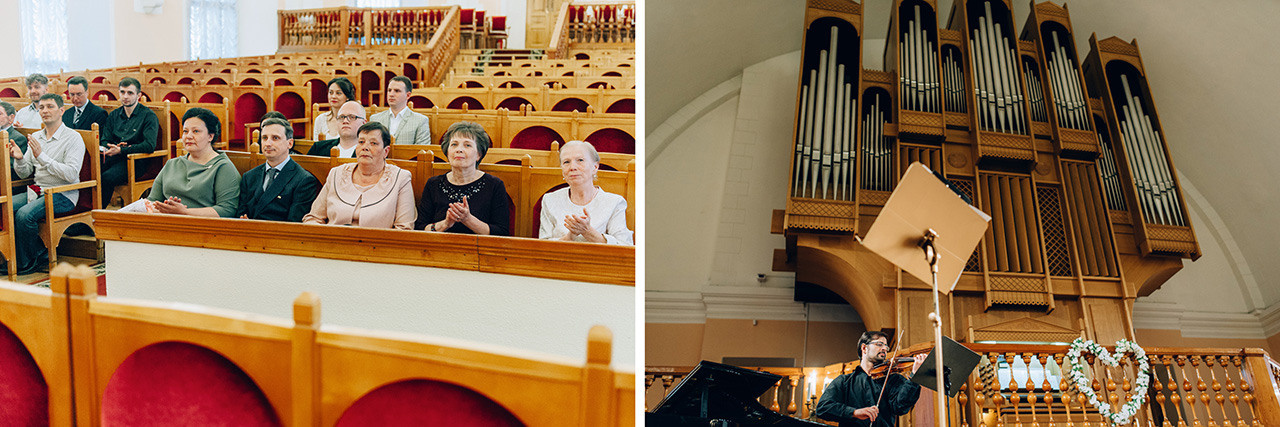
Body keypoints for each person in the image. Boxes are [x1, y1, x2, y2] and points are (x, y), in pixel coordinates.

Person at [8, 94, 85, 275]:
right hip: (37, 190)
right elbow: (25, 172)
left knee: (24, 214)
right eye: (41, 107)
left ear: (61, 110)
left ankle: (28, 261)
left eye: (50, 107)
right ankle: (31, 253)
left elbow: (71, 174)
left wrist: (42, 157)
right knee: (5, 206)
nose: (44, 111)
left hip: (63, 193)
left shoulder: (73, 138)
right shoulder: (36, 136)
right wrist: (19, 159)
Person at [303, 122, 415, 229]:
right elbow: (314, 218)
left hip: (377, 242)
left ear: (386, 151)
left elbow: (404, 228)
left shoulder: (401, 178)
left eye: (373, 143)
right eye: (361, 142)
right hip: (333, 240)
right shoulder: (336, 173)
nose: (365, 147)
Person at [415, 121, 510, 235]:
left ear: (479, 154)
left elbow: (501, 233)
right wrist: (445, 224)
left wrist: (468, 219)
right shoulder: (433, 184)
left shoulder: (494, 185)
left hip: (478, 246)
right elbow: (420, 228)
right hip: (440, 245)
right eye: (454, 144)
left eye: (467, 145)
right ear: (447, 152)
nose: (459, 150)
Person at [815, 331, 926, 427]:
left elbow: (900, 407)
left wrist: (915, 376)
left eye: (886, 346)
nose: (884, 348)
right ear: (864, 348)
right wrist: (854, 412)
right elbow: (823, 408)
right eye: (879, 344)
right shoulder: (844, 381)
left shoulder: (893, 379)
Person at [144, 107, 240, 217]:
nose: (188, 136)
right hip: (166, 222)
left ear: (210, 136)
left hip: (203, 225)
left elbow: (227, 210)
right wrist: (165, 210)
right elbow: (152, 200)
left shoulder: (223, 167)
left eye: (196, 131)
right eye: (185, 131)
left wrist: (184, 213)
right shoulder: (172, 164)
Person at [538, 140, 632, 244]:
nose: (572, 167)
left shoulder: (614, 203)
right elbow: (543, 245)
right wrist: (570, 237)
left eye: (580, 160)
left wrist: (587, 231)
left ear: (595, 167)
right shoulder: (550, 200)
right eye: (566, 162)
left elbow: (625, 246)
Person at [238, 117, 320, 222]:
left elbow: (294, 224)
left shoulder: (304, 180)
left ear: (290, 143)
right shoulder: (249, 177)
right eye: (264, 138)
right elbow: (240, 215)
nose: (268, 143)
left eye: (275, 138)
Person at [101, 77, 160, 205]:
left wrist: (122, 150)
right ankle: (88, 210)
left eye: (130, 93)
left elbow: (149, 145)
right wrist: (112, 146)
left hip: (136, 161)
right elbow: (105, 139)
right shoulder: (114, 115)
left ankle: (99, 212)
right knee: (91, 172)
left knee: (106, 178)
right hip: (114, 157)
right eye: (122, 92)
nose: (125, 96)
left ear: (139, 95)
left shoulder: (148, 116)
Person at [369, 76, 431, 145]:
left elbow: (422, 148)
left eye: (397, 91)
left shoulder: (420, 121)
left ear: (408, 95)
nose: (391, 94)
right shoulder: (375, 119)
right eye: (389, 90)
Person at [0, 101, 28, 179]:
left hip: (8, 180)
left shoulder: (18, 138)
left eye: (0, 114)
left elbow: (12, 167)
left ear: (11, 118)